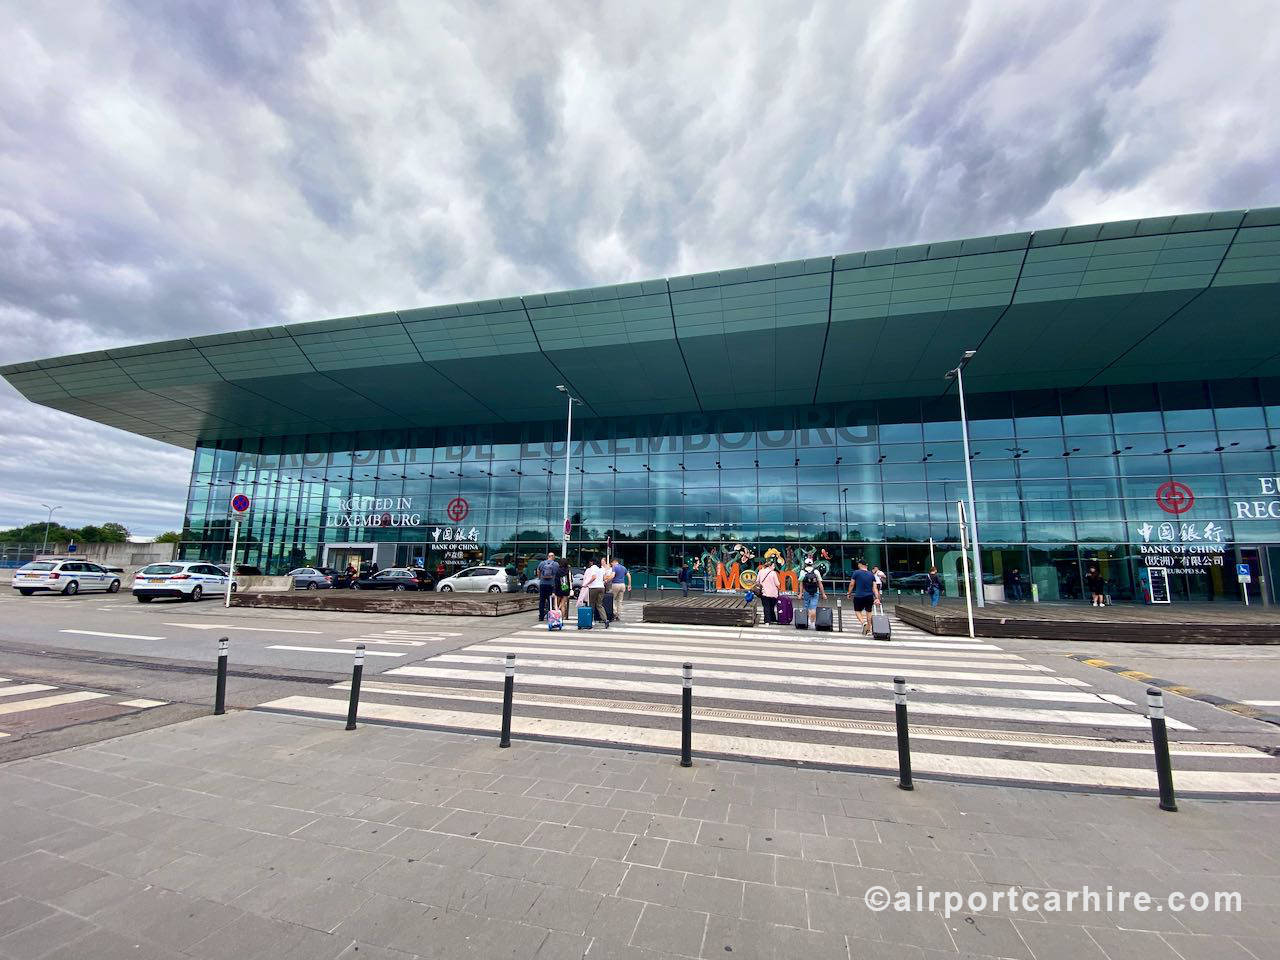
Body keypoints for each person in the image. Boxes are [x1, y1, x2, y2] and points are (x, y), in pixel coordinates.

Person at [846, 559, 880, 635]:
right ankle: (868, 630)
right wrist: (877, 598)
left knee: (857, 611)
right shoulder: (871, 574)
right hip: (869, 596)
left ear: (860, 564)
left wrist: (849, 593)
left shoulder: (856, 573)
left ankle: (863, 623)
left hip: (859, 596)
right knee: (869, 613)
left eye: (858, 564)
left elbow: (852, 584)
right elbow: (875, 588)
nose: (858, 565)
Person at [583, 556, 610, 628]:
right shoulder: (601, 569)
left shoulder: (592, 568)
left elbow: (594, 577)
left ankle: (591, 620)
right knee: (599, 605)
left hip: (593, 588)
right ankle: (605, 620)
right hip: (601, 587)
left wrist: (587, 584)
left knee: (592, 605)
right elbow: (604, 578)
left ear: (591, 562)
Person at [798, 558, 825, 628]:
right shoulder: (816, 571)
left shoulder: (802, 572)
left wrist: (800, 594)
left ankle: (807, 621)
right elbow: (820, 583)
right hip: (815, 591)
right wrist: (823, 594)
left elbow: (801, 584)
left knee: (806, 606)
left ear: (805, 564)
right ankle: (812, 622)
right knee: (813, 607)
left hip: (806, 591)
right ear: (812, 564)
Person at [535, 551, 559, 622]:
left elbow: (538, 571)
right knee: (550, 600)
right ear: (553, 557)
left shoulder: (542, 563)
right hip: (551, 584)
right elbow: (558, 573)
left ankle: (541, 616)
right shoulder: (556, 564)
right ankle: (550, 616)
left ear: (548, 557)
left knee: (542, 600)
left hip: (542, 584)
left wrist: (540, 578)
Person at [610, 556, 631, 622]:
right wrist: (629, 584)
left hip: (615, 584)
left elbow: (613, 575)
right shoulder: (623, 567)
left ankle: (615, 613)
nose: (611, 565)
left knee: (612, 599)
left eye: (611, 563)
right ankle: (618, 615)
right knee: (620, 601)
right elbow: (629, 575)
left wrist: (607, 580)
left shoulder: (614, 567)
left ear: (614, 562)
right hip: (623, 585)